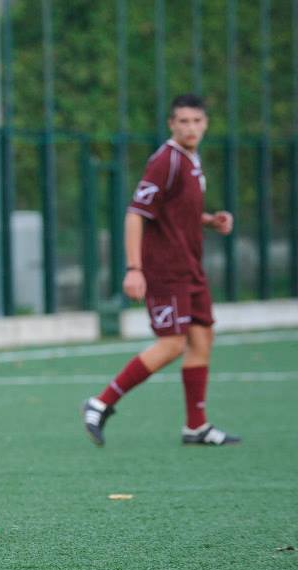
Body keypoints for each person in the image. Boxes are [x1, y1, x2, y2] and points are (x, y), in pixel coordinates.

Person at [82, 94, 241, 447]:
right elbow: (136, 213)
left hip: (189, 267)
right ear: (172, 124)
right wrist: (134, 268)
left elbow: (172, 211)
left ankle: (196, 426)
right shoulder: (165, 160)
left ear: (205, 123)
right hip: (165, 269)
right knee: (172, 344)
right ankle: (100, 403)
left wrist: (210, 221)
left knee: (202, 339)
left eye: (196, 121)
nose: (191, 128)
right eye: (183, 121)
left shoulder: (190, 160)